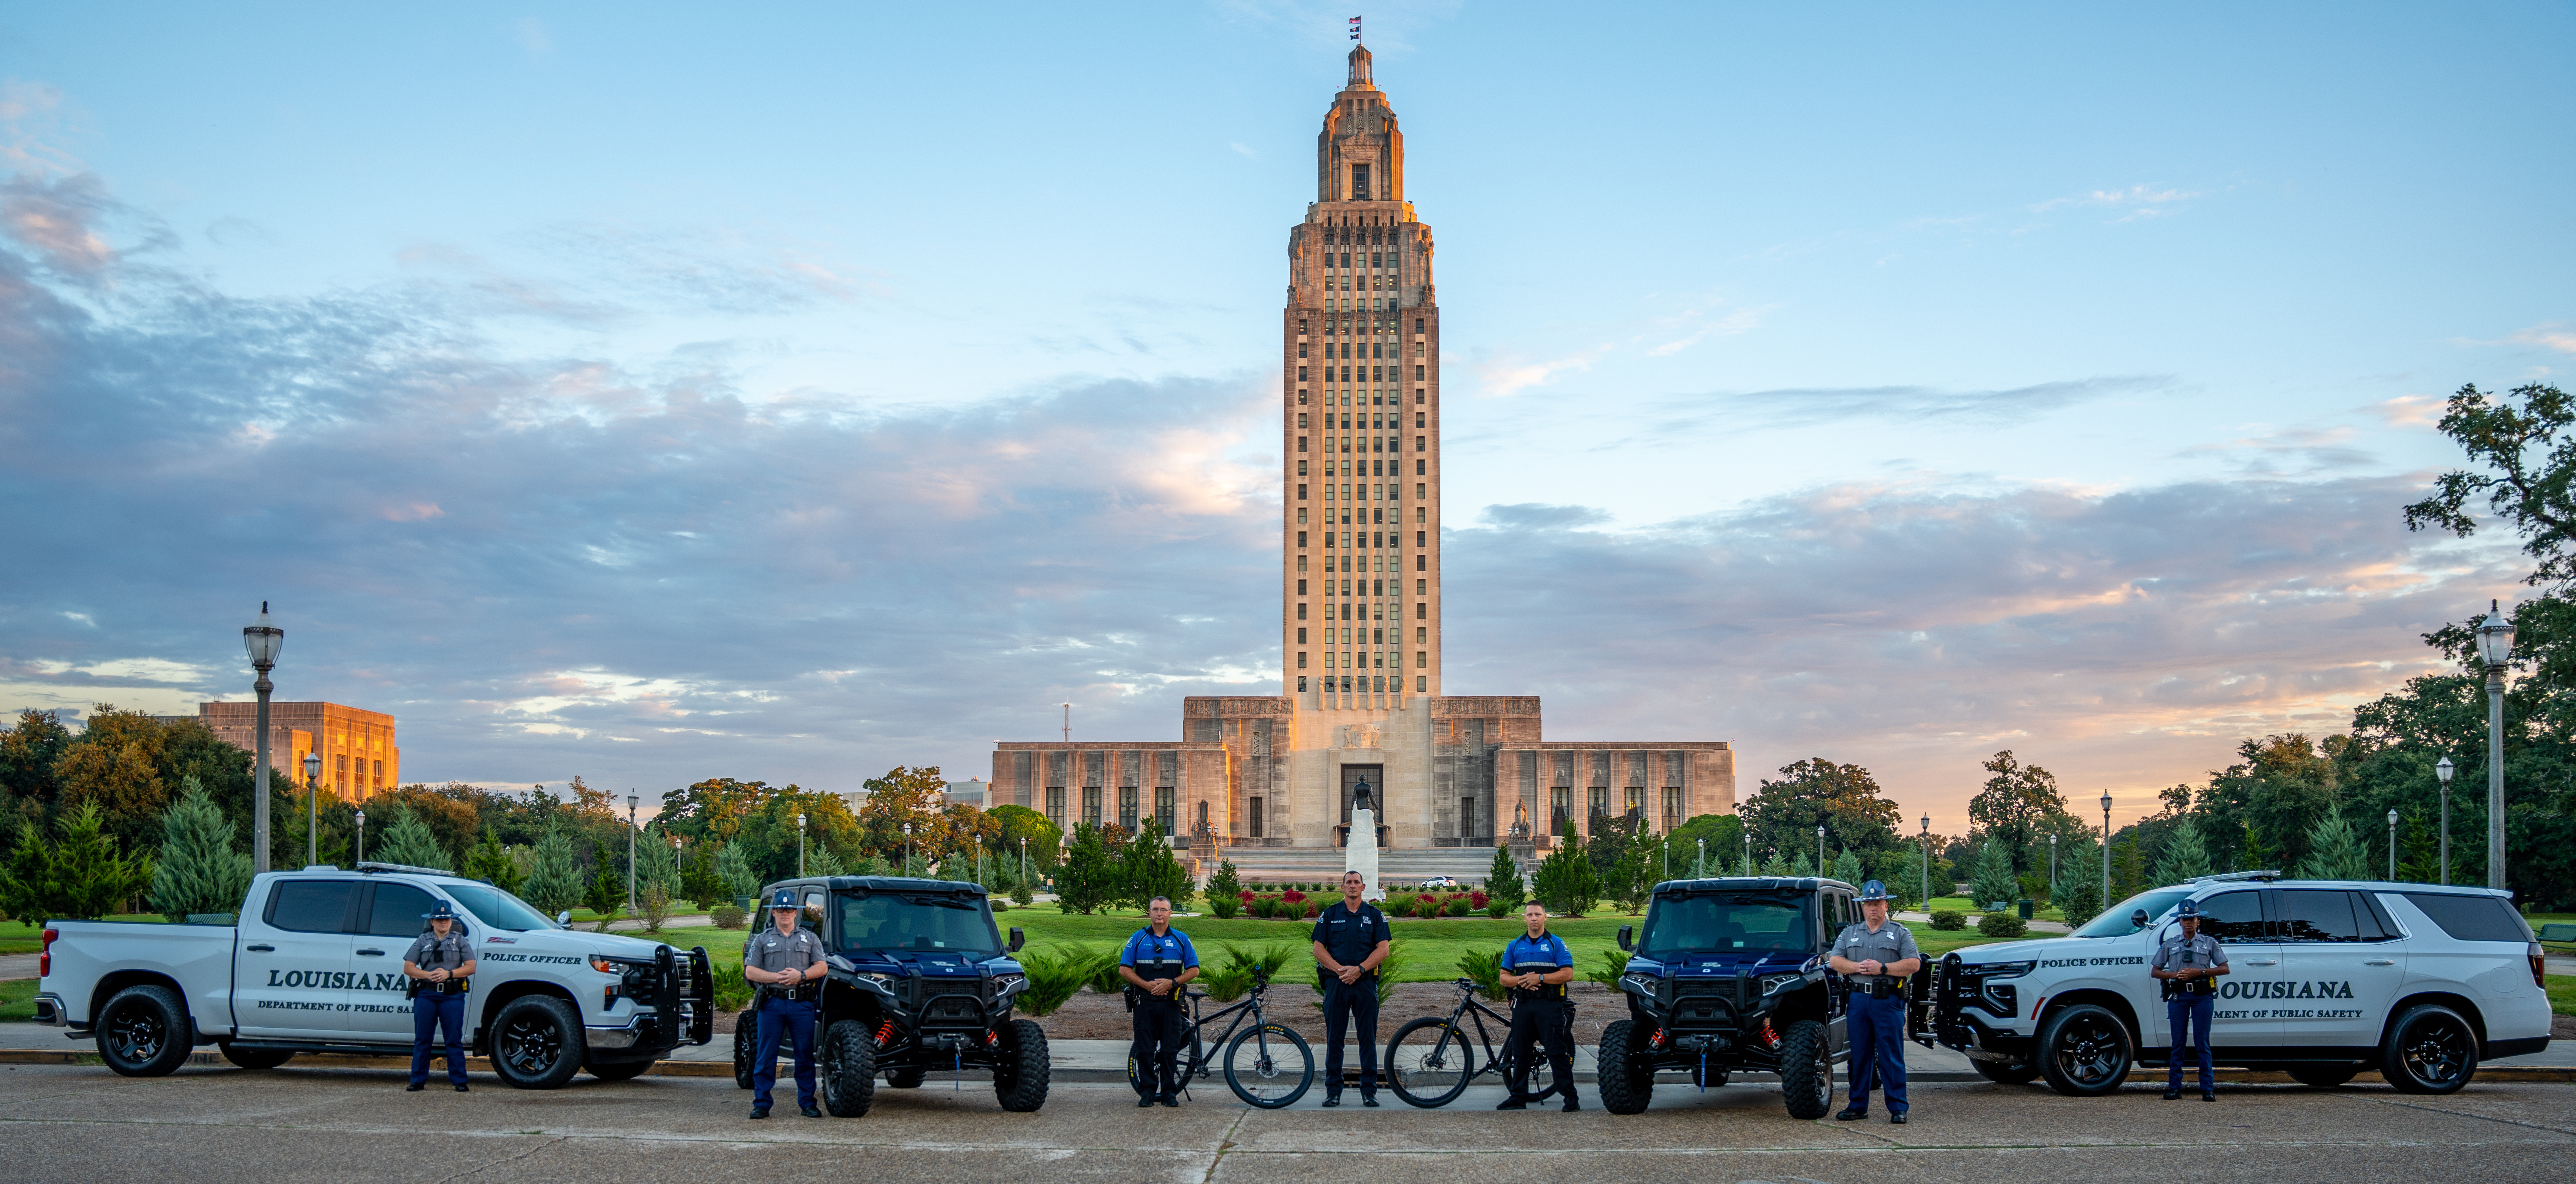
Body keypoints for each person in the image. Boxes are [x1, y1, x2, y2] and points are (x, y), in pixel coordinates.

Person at [1827, 880, 1920, 1124]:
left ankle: (1899, 1107)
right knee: (1859, 1055)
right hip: (1858, 1000)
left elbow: (1913, 964)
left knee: (1891, 1055)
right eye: (1868, 904)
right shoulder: (1850, 933)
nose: (1873, 909)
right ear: (1862, 907)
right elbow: (1835, 961)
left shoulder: (1900, 933)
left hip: (1886, 1000)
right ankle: (1858, 1106)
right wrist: (1857, 967)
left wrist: (1884, 968)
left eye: (1877, 903)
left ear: (1886, 905)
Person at [744, 887, 830, 1120]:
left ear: (796, 913)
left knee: (804, 1056)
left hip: (801, 1005)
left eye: (789, 910)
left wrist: (800, 977)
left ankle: (807, 1103)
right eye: (780, 910)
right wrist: (779, 978)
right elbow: (751, 971)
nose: (785, 914)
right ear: (773, 913)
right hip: (772, 1004)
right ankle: (761, 1104)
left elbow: (822, 967)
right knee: (765, 1056)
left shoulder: (810, 938)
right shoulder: (763, 940)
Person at [1310, 869, 1392, 1107]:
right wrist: (1339, 970)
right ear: (1343, 887)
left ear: (1364, 888)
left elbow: (1383, 950)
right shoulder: (1330, 914)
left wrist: (1360, 969)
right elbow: (1318, 949)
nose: (1353, 886)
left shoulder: (1375, 916)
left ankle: (1369, 1092)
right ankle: (1333, 1092)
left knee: (1368, 1039)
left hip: (1365, 984)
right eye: (1349, 882)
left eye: (1357, 882)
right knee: (1335, 1039)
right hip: (1337, 984)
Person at [1119, 894, 1201, 1108]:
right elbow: (1124, 969)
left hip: (1172, 1004)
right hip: (1144, 1003)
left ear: (1170, 913)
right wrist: (1146, 985)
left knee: (1169, 1050)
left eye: (1163, 910)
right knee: (1145, 1049)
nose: (1159, 914)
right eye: (1155, 910)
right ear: (1149, 913)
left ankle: (1169, 1093)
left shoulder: (1182, 939)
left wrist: (1172, 983)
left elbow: (1194, 970)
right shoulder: (1137, 938)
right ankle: (1146, 1092)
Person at [1494, 901, 1577, 1112]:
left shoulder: (1556, 944)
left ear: (1545, 918)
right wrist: (1522, 981)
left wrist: (1539, 978)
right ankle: (1518, 1097)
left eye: (1538, 915)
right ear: (1524, 918)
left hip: (1549, 1006)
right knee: (1521, 1053)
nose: (1533, 918)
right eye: (1530, 915)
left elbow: (1567, 974)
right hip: (1523, 1006)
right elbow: (1504, 978)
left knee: (1556, 1052)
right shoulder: (1515, 945)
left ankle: (1571, 1099)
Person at [2151, 898, 2229, 1101]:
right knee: (2178, 1043)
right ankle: (2174, 1088)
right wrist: (2174, 976)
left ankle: (2207, 1089)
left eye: (2192, 918)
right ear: (2179, 922)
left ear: (2198, 921)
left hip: (2202, 997)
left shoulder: (2209, 943)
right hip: (2179, 997)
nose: (2188, 923)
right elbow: (2155, 972)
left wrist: (2200, 972)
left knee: (2202, 1042)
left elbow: (2225, 968)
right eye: (2184, 919)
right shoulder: (2170, 944)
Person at [402, 900, 476, 1093]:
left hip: (452, 995)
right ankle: (417, 1081)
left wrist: (449, 974)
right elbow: (408, 968)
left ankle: (459, 1081)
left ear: (451, 921)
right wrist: (428, 975)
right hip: (426, 994)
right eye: (439, 919)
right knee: (423, 1040)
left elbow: (471, 967)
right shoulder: (422, 941)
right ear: (432, 922)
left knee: (454, 1039)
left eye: (447, 919)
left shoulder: (460, 941)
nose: (444, 922)